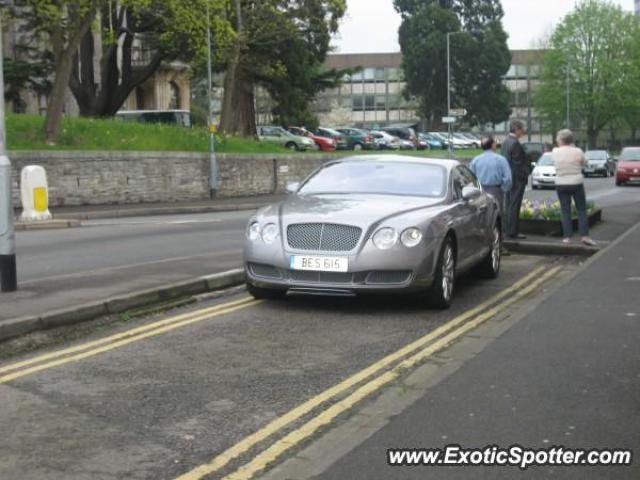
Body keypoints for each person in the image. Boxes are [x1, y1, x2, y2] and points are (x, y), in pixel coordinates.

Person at [552, 129, 597, 246]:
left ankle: (567, 237)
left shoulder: (555, 152)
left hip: (561, 183)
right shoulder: (578, 151)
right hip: (576, 183)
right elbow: (585, 163)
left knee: (565, 210)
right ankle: (584, 236)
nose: (556, 140)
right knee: (581, 209)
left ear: (562, 140)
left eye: (558, 138)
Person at [470, 136, 512, 245]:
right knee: (497, 217)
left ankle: (480, 243)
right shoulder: (500, 159)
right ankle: (498, 243)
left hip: (479, 191)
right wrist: (503, 189)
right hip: (495, 189)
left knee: (480, 217)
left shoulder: (476, 160)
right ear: (493, 145)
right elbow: (507, 178)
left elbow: (470, 177)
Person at [501, 120, 532, 240]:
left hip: (509, 177)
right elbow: (519, 165)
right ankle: (512, 231)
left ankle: (507, 229)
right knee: (514, 204)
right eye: (522, 129)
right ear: (517, 129)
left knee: (509, 204)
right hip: (517, 179)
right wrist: (526, 173)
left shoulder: (506, 142)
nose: (523, 131)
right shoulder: (515, 143)